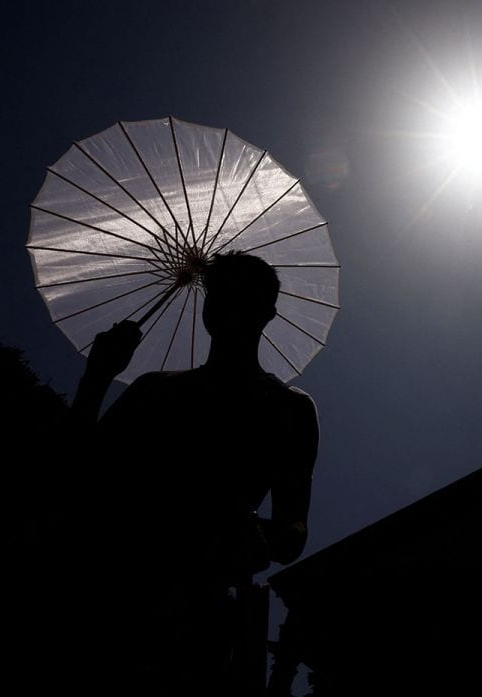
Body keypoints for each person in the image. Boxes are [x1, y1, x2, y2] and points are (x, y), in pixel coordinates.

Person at [68, 251, 319, 694]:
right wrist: (97, 376)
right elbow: (74, 476)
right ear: (207, 304)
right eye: (220, 296)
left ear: (268, 312)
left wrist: (253, 531)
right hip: (110, 595)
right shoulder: (154, 390)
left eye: (244, 298)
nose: (229, 308)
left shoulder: (291, 410)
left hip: (199, 618)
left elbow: (294, 530)